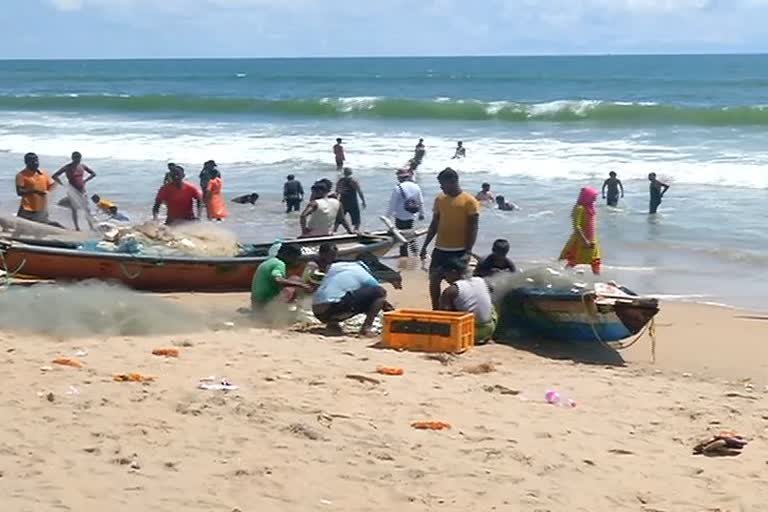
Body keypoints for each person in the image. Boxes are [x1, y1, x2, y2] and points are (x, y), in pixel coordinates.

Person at [420, 168, 480, 309]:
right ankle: (436, 309)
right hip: (440, 249)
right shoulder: (440, 199)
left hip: (459, 251)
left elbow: (473, 228)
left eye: (442, 184)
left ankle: (457, 310)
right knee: (434, 280)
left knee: (459, 286)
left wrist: (468, 251)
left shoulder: (469, 201)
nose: (441, 187)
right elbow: (435, 224)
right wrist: (424, 246)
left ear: (453, 181)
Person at [312, 260, 398, 337]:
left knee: (342, 293)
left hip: (318, 311)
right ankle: (366, 328)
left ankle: (332, 325)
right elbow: (379, 294)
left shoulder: (337, 266)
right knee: (380, 292)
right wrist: (392, 314)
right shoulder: (362, 272)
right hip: (332, 307)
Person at [439, 257, 497, 344]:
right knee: (490, 305)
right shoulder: (481, 280)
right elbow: (491, 291)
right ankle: (488, 336)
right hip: (489, 329)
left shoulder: (451, 290)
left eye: (445, 274)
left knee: (448, 308)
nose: (445, 278)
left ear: (453, 272)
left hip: (468, 333)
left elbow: (446, 318)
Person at [251, 244, 312, 310]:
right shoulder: (280, 264)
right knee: (296, 280)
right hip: (266, 304)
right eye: (296, 257)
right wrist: (301, 285)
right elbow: (278, 279)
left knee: (292, 281)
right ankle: (298, 308)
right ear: (289, 256)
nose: (296, 260)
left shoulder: (270, 261)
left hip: (255, 302)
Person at [559, 187, 602, 275]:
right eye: (593, 196)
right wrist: (584, 240)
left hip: (591, 238)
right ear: (587, 196)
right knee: (575, 259)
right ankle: (563, 274)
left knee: (595, 259)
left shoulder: (590, 208)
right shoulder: (579, 208)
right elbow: (577, 226)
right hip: (581, 239)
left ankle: (597, 277)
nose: (595, 198)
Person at [52, 151, 96, 231]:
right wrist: (62, 184)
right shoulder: (67, 167)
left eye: (79, 158)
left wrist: (85, 180)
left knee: (86, 209)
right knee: (74, 210)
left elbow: (93, 174)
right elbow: (54, 176)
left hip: (82, 190)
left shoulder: (82, 166)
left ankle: (91, 227)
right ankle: (77, 227)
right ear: (72, 158)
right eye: (76, 158)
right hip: (72, 191)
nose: (77, 160)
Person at [387, 168, 424, 257]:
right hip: (411, 215)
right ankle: (416, 254)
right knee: (410, 235)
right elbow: (420, 201)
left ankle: (404, 255)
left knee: (401, 237)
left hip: (400, 216)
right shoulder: (416, 186)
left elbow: (392, 204)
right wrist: (421, 213)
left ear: (399, 178)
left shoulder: (397, 188)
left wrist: (387, 217)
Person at [15, 152, 56, 224]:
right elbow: (19, 192)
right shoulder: (21, 175)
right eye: (33, 161)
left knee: (42, 229)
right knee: (20, 228)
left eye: (37, 160)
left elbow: (50, 187)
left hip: (41, 208)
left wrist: (58, 183)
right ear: (26, 162)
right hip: (27, 208)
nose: (36, 163)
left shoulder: (43, 174)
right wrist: (35, 191)